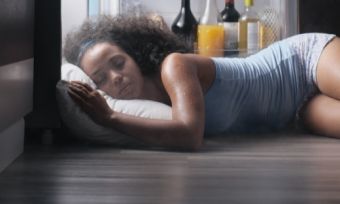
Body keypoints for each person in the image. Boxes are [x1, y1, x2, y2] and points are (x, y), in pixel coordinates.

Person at [64, 15, 340, 151]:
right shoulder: (152, 110)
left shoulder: (175, 66)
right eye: (100, 79)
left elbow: (189, 135)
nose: (116, 77)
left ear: (134, 56)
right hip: (299, 110)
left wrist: (109, 116)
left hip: (303, 60)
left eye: (118, 62)